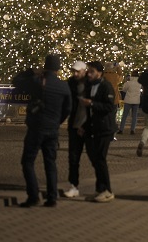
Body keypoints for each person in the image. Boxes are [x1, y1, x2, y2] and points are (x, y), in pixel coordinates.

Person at [12, 54, 71, 207]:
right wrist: (57, 121)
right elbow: (68, 108)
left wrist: (31, 71)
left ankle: (33, 195)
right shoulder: (63, 86)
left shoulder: (37, 81)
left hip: (37, 127)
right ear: (58, 68)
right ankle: (52, 197)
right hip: (53, 129)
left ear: (45, 66)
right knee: (50, 163)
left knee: (28, 161)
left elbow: (16, 82)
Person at [81, 60, 117, 202]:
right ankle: (99, 189)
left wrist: (92, 104)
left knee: (100, 159)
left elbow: (109, 107)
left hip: (104, 128)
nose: (89, 74)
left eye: (92, 71)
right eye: (88, 71)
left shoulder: (106, 86)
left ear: (99, 73)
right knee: (94, 158)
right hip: (92, 127)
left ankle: (107, 190)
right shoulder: (89, 86)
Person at [64, 60, 88, 199]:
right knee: (73, 157)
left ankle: (101, 186)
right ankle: (74, 185)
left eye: (78, 71)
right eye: (74, 71)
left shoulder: (89, 84)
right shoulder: (70, 83)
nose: (76, 73)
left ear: (84, 71)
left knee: (95, 157)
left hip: (87, 125)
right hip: (74, 124)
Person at [118, 70, 141, 134]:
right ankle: (132, 130)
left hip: (128, 100)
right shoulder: (139, 83)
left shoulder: (128, 83)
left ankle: (121, 129)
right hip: (136, 100)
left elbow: (124, 89)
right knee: (134, 116)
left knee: (124, 115)